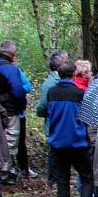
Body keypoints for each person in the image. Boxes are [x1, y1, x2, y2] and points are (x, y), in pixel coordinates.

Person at [44, 61, 97, 197]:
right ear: (74, 74)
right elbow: (88, 117)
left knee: (62, 179)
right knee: (87, 178)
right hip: (78, 142)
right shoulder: (79, 93)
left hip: (58, 143)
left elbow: (45, 112)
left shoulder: (52, 93)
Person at [0, 40, 27, 182]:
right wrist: (20, 106)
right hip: (8, 110)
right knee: (10, 139)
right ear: (13, 54)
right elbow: (18, 91)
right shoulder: (9, 69)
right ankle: (6, 171)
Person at [36, 50, 68, 184]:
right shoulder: (50, 83)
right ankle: (53, 180)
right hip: (55, 124)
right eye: (66, 61)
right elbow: (42, 107)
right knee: (55, 152)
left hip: (62, 123)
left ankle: (59, 177)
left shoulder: (61, 80)